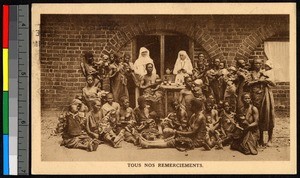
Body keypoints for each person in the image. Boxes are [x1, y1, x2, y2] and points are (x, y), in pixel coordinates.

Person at [139, 98, 211, 150]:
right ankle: (149, 143)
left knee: (173, 142)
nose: (189, 107)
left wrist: (177, 132)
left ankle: (148, 145)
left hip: (196, 141)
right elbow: (188, 128)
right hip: (192, 137)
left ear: (195, 107)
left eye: (191, 105)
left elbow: (192, 132)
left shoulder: (200, 117)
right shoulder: (194, 115)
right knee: (171, 138)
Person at [247, 58, 275, 147]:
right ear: (253, 64)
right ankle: (260, 139)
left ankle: (270, 139)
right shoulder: (251, 73)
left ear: (261, 64)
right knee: (258, 118)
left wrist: (265, 80)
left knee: (268, 116)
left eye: (259, 63)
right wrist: (257, 81)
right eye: (256, 63)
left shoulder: (265, 72)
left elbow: (273, 83)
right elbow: (247, 84)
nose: (257, 65)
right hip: (255, 98)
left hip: (266, 97)